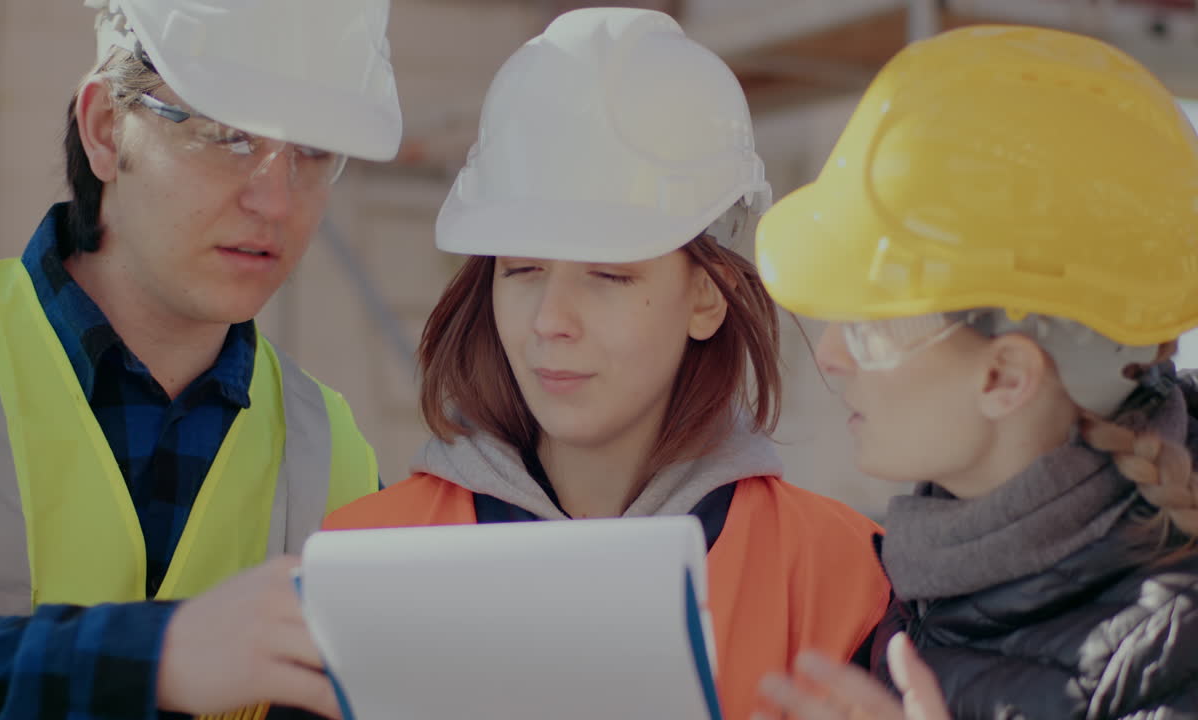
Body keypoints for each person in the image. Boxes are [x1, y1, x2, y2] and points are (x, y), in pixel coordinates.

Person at [318, 9, 890, 720]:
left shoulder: (844, 579)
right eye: (521, 268)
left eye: (608, 275)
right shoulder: (367, 561)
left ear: (707, 298)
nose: (551, 321)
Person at [0, 0, 403, 716]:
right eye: (225, 133)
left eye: (313, 151)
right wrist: (158, 657)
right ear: (106, 129)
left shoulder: (332, 454)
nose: (275, 198)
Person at [752, 24, 1198, 720]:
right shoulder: (943, 564)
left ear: (1006, 378)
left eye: (875, 326)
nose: (832, 355)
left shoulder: (1169, 653)